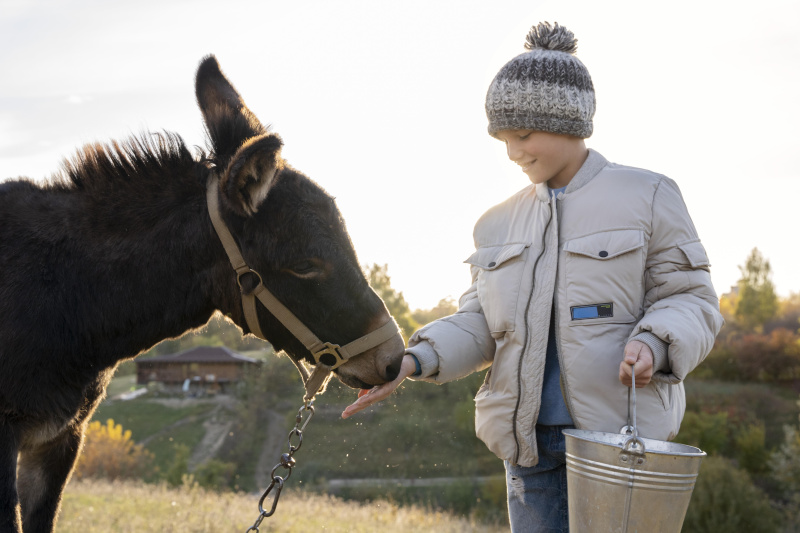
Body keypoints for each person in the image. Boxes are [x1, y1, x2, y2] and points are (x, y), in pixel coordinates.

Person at [342, 21, 723, 532]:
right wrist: (414, 359)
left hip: (618, 443)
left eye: (523, 135)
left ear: (570, 122)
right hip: (528, 448)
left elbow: (691, 299)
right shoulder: (495, 222)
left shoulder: (649, 196)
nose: (513, 152)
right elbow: (479, 325)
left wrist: (655, 342)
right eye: (503, 139)